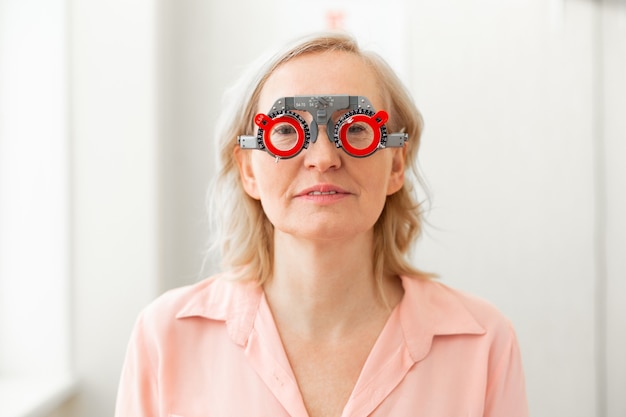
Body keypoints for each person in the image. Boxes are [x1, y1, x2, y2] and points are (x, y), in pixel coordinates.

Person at [114, 32, 528, 417]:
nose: (324, 157)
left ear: (396, 164)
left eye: (356, 129)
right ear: (249, 171)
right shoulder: (166, 337)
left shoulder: (481, 343)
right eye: (287, 131)